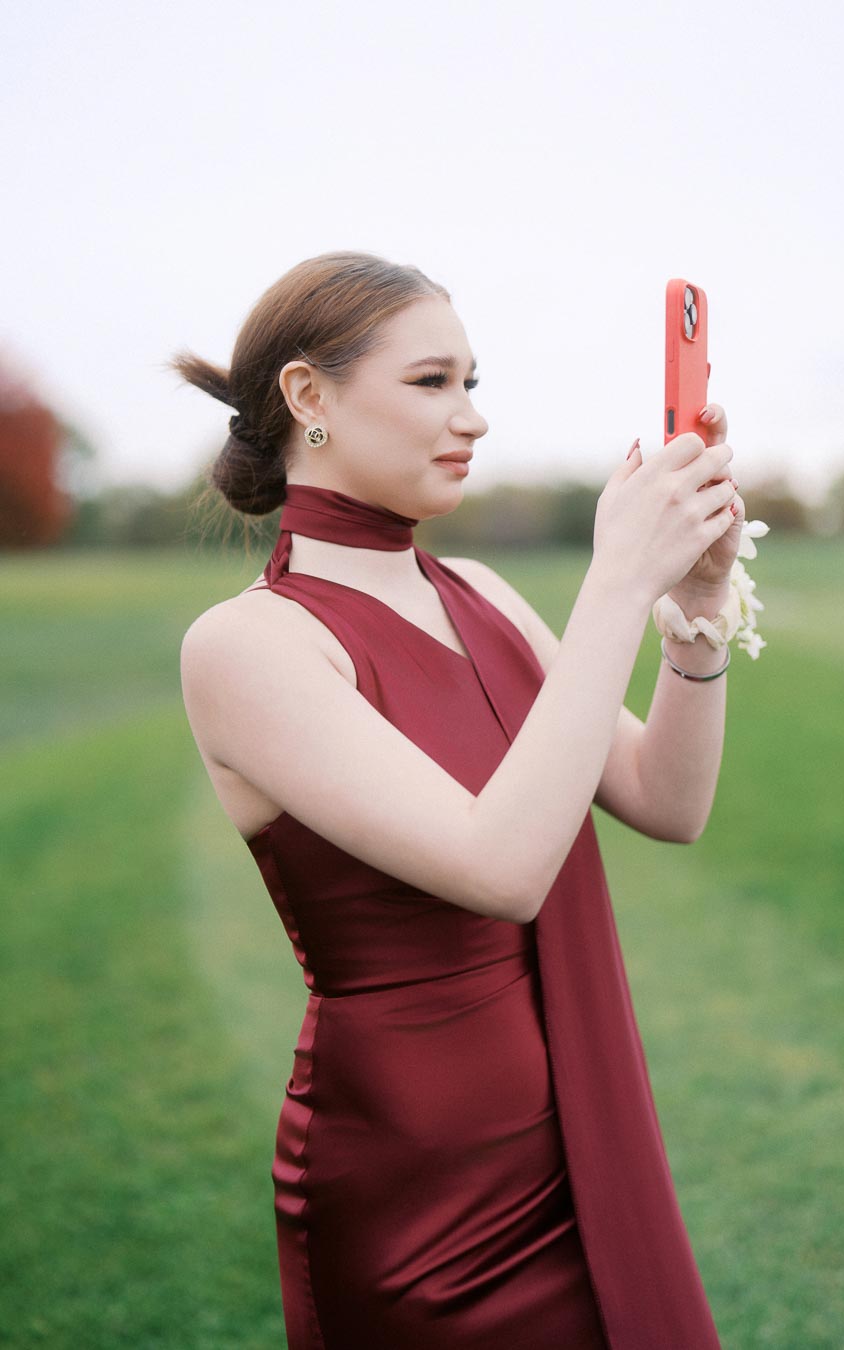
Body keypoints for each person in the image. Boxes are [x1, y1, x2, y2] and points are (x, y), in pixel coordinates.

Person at [175, 250, 741, 1349]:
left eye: (474, 383)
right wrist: (618, 582)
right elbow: (501, 869)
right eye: (434, 383)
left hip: (577, 1134)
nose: (472, 418)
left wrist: (701, 605)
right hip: (417, 1191)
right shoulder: (248, 644)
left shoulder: (479, 590)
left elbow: (667, 801)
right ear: (308, 399)